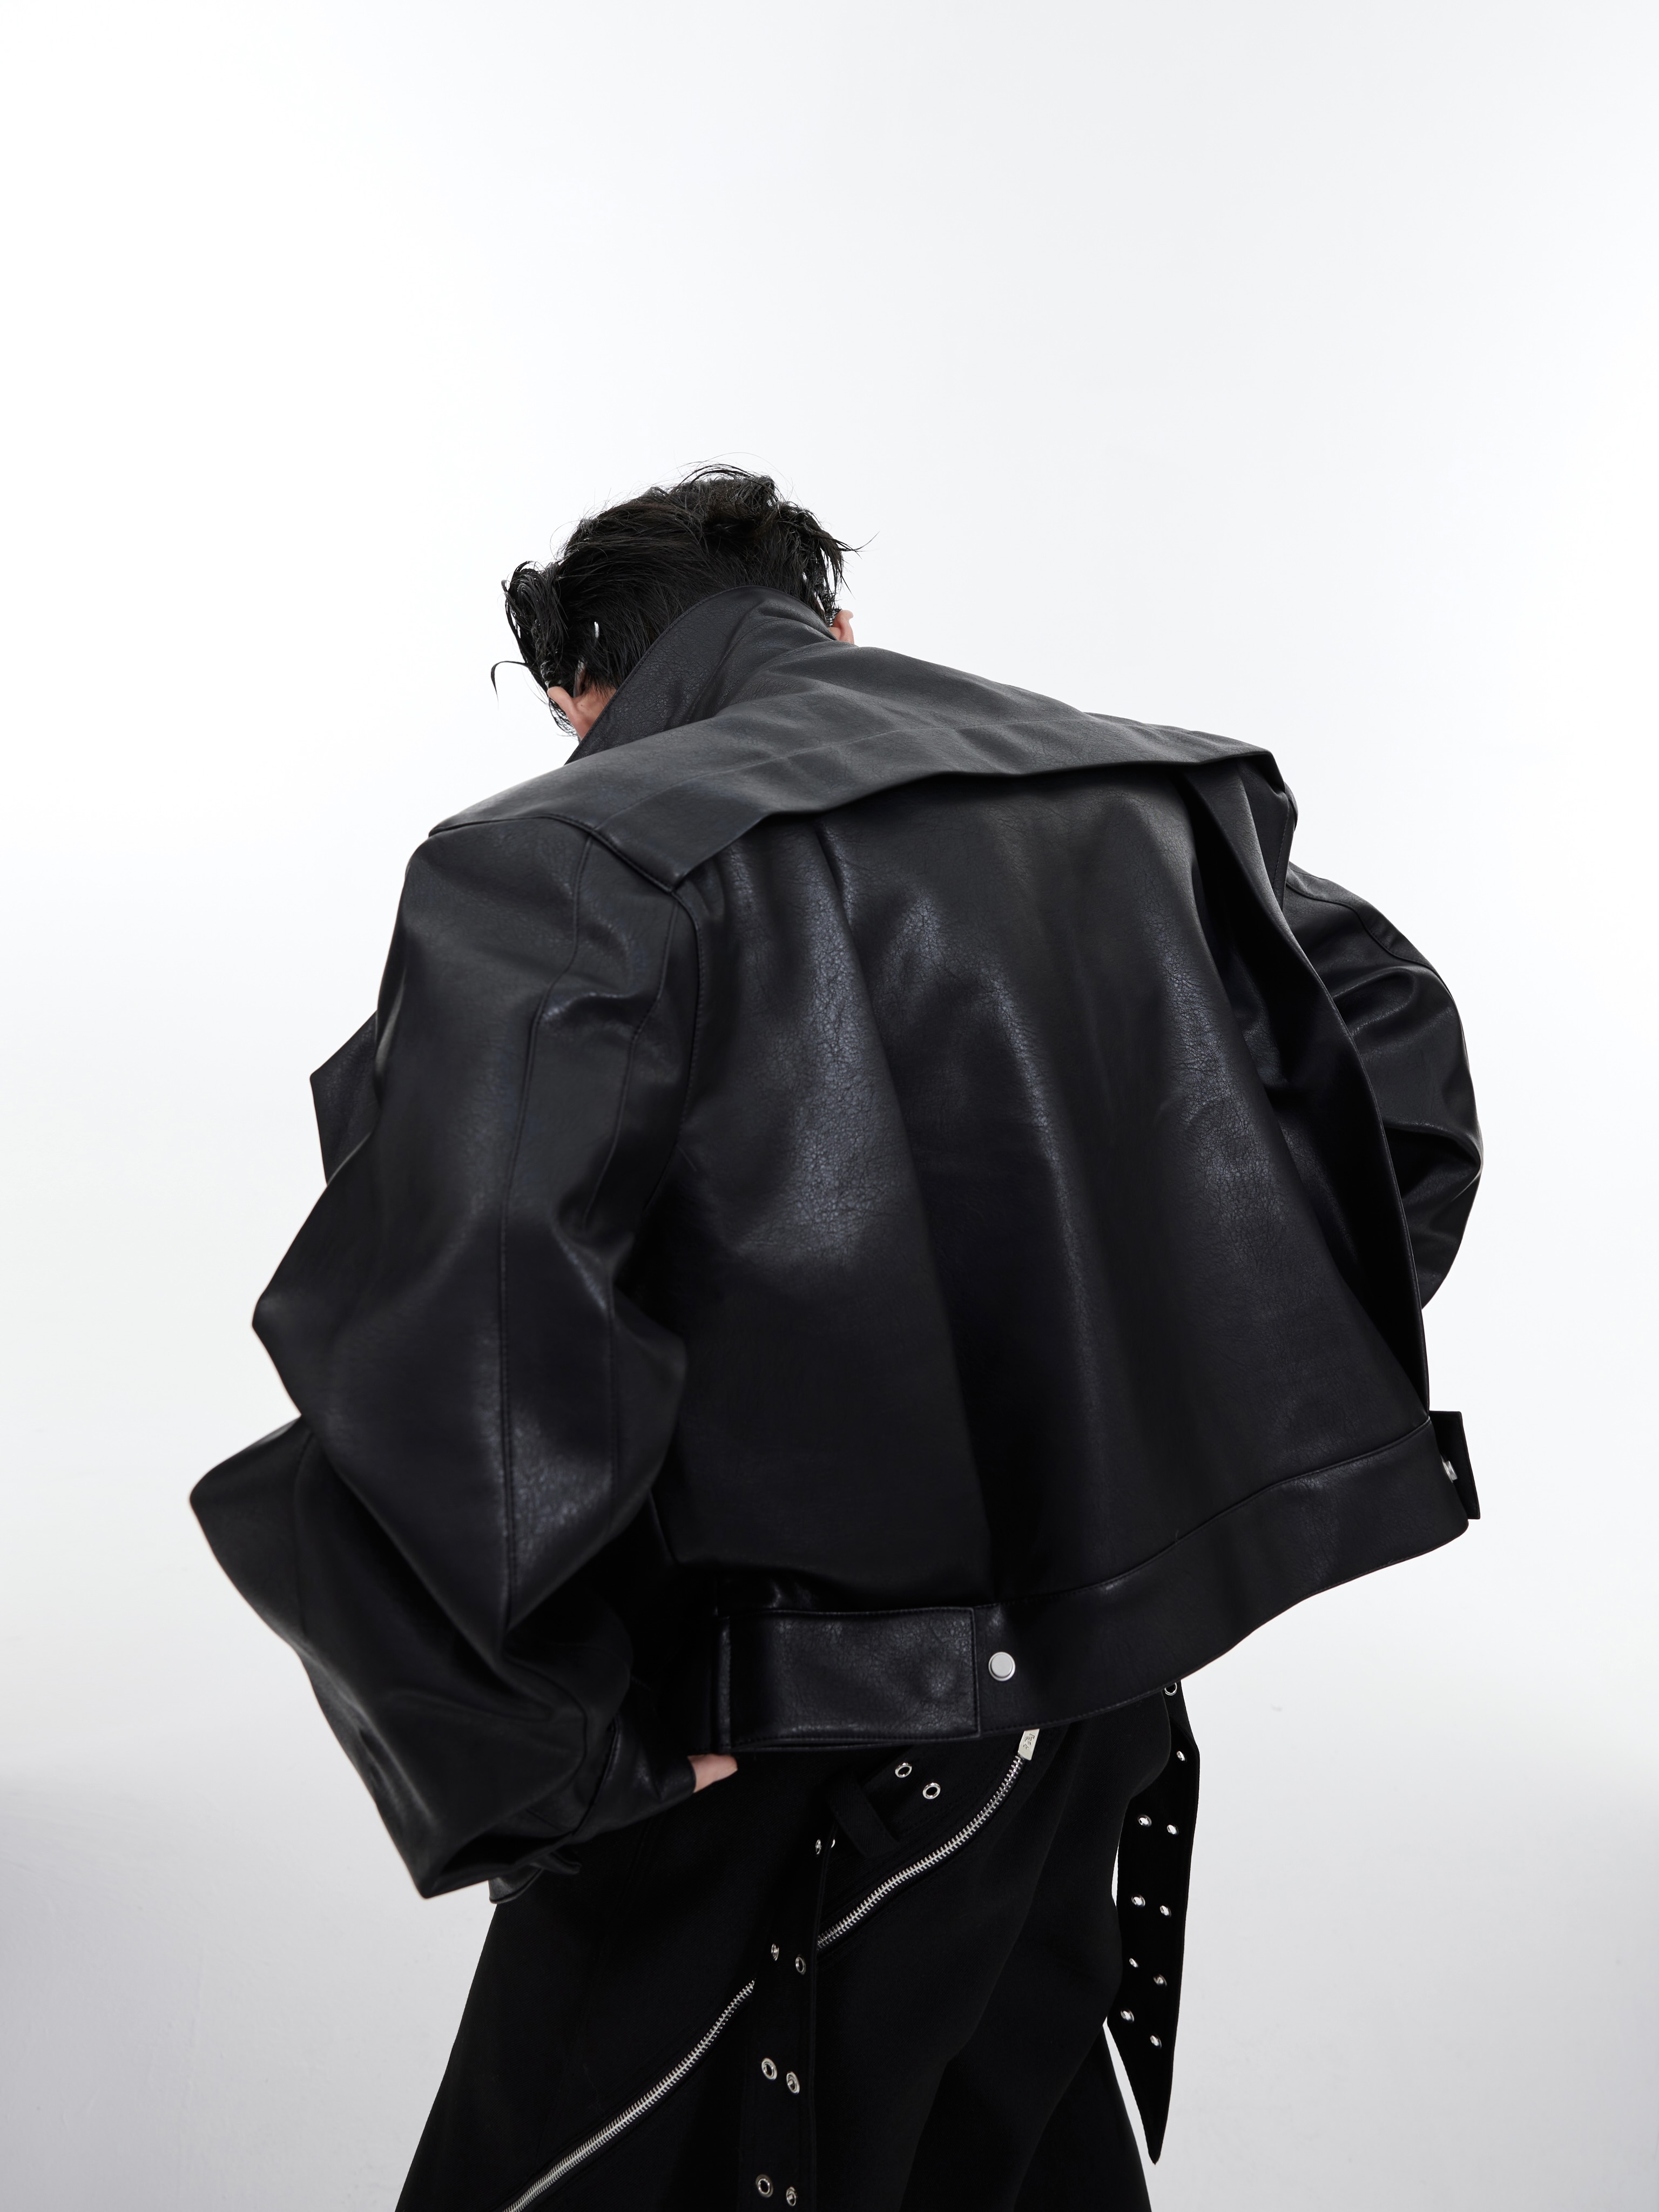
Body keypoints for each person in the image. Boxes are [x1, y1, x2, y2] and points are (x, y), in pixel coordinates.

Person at [193, 466, 1482, 2211]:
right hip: (1094, 1699)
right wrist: (1172, 1412)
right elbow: (1393, 1079)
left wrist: (567, 1754)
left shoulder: (573, 856)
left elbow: (455, 1352)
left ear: (582, 691)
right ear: (830, 618)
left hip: (782, 1735)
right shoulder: (1137, 785)